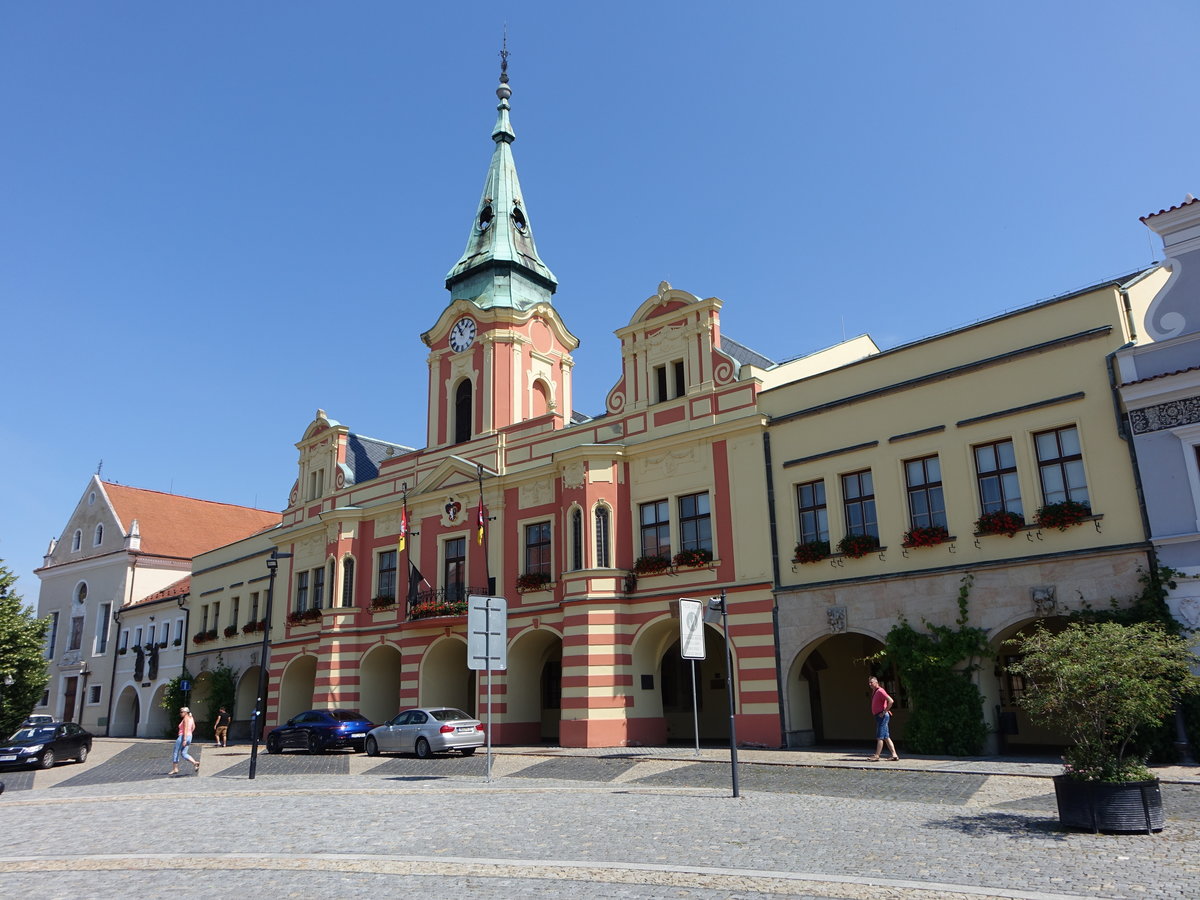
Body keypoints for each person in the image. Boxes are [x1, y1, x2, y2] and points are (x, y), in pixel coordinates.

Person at [868, 675, 900, 761]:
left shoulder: (880, 691)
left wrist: (884, 711)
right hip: (879, 716)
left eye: (871, 682)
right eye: (869, 683)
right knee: (886, 736)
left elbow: (891, 701)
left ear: (876, 682)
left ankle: (877, 755)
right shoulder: (875, 692)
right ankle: (894, 755)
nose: (870, 684)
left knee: (880, 736)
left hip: (882, 716)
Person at [170, 707, 199, 775]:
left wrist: (184, 739)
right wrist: (190, 733)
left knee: (176, 751)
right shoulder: (191, 718)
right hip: (190, 736)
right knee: (184, 753)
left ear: (186, 712)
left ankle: (175, 769)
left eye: (182, 712)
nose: (180, 713)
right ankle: (195, 763)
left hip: (183, 736)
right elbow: (193, 727)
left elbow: (185, 729)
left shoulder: (185, 719)